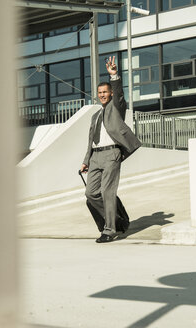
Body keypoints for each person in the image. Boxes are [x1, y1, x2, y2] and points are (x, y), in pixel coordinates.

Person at [80, 56, 141, 243]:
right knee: (90, 193)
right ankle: (114, 217)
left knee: (107, 192)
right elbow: (91, 140)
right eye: (100, 92)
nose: (102, 95)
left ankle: (109, 230)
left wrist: (114, 76)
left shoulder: (116, 107)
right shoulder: (95, 116)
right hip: (95, 157)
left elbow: (120, 94)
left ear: (111, 93)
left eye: (105, 92)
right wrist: (85, 160)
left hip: (111, 154)